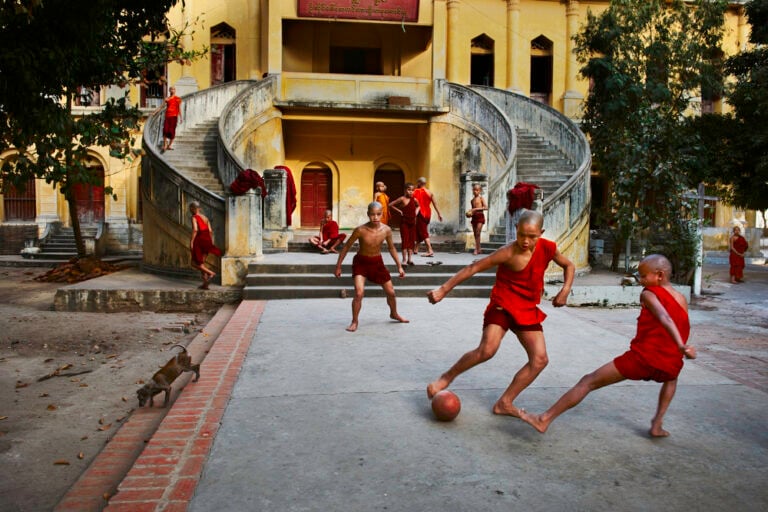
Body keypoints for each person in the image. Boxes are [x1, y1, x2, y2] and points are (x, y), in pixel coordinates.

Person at [519, 254, 696, 437]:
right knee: (671, 379)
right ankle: (657, 424)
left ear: (659, 275)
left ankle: (544, 419)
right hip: (670, 361)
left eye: (644, 276)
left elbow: (664, 318)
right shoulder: (681, 298)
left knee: (588, 381)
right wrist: (681, 348)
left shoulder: (649, 293)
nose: (641, 281)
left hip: (642, 359)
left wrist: (680, 345)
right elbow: (682, 324)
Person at [426, 209, 574, 417]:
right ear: (516, 230)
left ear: (541, 233)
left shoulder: (548, 248)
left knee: (540, 360)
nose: (525, 241)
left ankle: (505, 402)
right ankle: (446, 378)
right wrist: (443, 289)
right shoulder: (508, 252)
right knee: (487, 350)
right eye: (521, 235)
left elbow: (569, 266)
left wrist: (565, 290)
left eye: (532, 237)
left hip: (527, 308)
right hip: (502, 305)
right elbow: (473, 268)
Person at [335, 202, 409, 332]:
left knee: (391, 292)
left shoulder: (386, 230)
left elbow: (391, 248)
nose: (375, 217)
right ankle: (354, 321)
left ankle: (394, 313)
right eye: (372, 214)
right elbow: (346, 247)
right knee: (359, 293)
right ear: (368, 214)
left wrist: (399, 267)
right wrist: (338, 266)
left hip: (377, 263)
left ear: (382, 214)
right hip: (361, 263)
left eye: (378, 214)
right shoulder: (360, 230)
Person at [189, 201, 222, 289]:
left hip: (199, 240)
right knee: (201, 263)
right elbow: (210, 231)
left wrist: (191, 241)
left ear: (192, 208)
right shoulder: (205, 217)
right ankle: (205, 285)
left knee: (194, 263)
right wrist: (210, 242)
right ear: (199, 208)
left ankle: (211, 273)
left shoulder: (194, 217)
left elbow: (195, 230)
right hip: (207, 239)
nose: (190, 210)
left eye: (190, 208)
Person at [389, 183, 419, 266]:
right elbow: (390, 205)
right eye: (409, 190)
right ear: (405, 190)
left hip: (412, 222)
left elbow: (418, 206)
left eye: (412, 190)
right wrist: (400, 211)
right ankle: (404, 259)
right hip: (404, 222)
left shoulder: (415, 199)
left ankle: (410, 259)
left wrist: (416, 213)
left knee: (411, 241)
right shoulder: (402, 199)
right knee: (405, 240)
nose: (411, 192)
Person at [412, 177, 442, 257]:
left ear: (419, 183)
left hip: (420, 213)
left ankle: (430, 250)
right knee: (420, 230)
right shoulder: (430, 192)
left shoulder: (415, 192)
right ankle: (416, 249)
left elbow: (412, 203)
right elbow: (435, 204)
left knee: (423, 232)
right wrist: (439, 214)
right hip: (428, 214)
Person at [468, 184, 488, 255]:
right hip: (474, 217)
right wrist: (470, 214)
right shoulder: (472, 200)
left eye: (477, 190)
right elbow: (472, 211)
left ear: (480, 191)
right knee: (475, 234)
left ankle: (476, 249)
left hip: (480, 216)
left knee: (477, 232)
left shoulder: (481, 198)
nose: (475, 191)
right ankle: (479, 248)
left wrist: (476, 209)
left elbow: (486, 207)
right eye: (474, 190)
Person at [162, 86, 182, 151]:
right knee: (165, 130)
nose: (172, 90)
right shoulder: (167, 99)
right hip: (167, 116)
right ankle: (165, 145)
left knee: (172, 131)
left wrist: (181, 117)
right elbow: (161, 107)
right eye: (171, 89)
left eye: (173, 89)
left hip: (174, 116)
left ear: (175, 90)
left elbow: (179, 108)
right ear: (169, 91)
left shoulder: (177, 99)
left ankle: (170, 145)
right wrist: (154, 112)